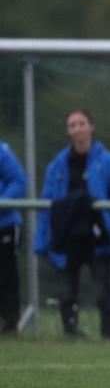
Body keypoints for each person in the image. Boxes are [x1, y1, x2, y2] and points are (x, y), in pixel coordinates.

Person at [34, 110, 110, 339]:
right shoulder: (57, 164)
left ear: (91, 126)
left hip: (97, 233)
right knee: (68, 290)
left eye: (81, 123)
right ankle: (70, 332)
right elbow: (47, 201)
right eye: (72, 125)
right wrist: (44, 238)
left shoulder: (108, 161)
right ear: (68, 130)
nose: (77, 128)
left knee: (102, 290)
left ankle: (109, 335)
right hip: (69, 234)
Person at [0, 141, 27, 334]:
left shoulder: (2, 151)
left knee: (6, 274)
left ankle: (10, 322)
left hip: (4, 224)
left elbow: (19, 181)